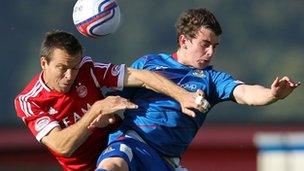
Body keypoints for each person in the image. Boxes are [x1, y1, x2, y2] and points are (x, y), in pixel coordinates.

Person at [95, 8, 300, 171]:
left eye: (215, 46)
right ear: (184, 40)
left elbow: (245, 93)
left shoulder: (212, 79)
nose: (210, 52)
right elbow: (114, 101)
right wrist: (105, 115)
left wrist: (271, 94)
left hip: (167, 162)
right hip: (134, 142)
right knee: (112, 165)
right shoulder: (148, 63)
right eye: (205, 44)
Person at [14, 30, 204, 171]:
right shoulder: (29, 101)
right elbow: (61, 146)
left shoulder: (87, 69)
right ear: (43, 63)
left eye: (75, 67)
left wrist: (182, 96)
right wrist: (95, 111)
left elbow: (141, 76)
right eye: (62, 68)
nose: (70, 75)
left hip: (122, 150)